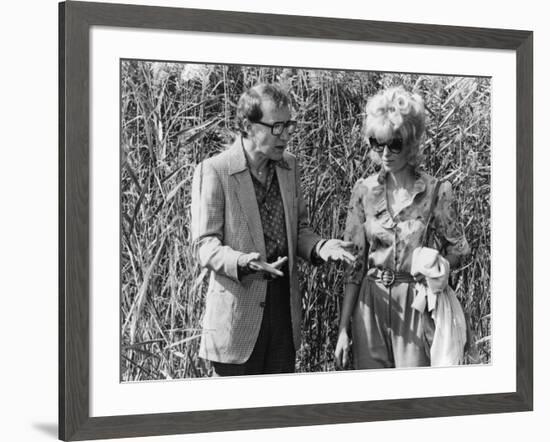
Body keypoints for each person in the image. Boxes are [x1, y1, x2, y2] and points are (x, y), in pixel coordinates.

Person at [191, 83, 355, 376]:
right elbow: (204, 244)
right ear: (248, 126)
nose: (286, 135)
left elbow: (300, 229)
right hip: (236, 322)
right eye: (277, 127)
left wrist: (320, 247)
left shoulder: (289, 167)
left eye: (289, 125)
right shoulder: (215, 170)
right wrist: (243, 262)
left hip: (282, 315)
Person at [334, 86, 470, 369]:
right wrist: (343, 329)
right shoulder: (363, 191)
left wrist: (438, 264)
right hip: (369, 304)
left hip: (415, 302)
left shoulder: (437, 191)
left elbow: (459, 249)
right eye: (377, 143)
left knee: (413, 398)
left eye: (394, 144)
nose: (385, 153)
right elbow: (353, 266)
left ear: (411, 142)